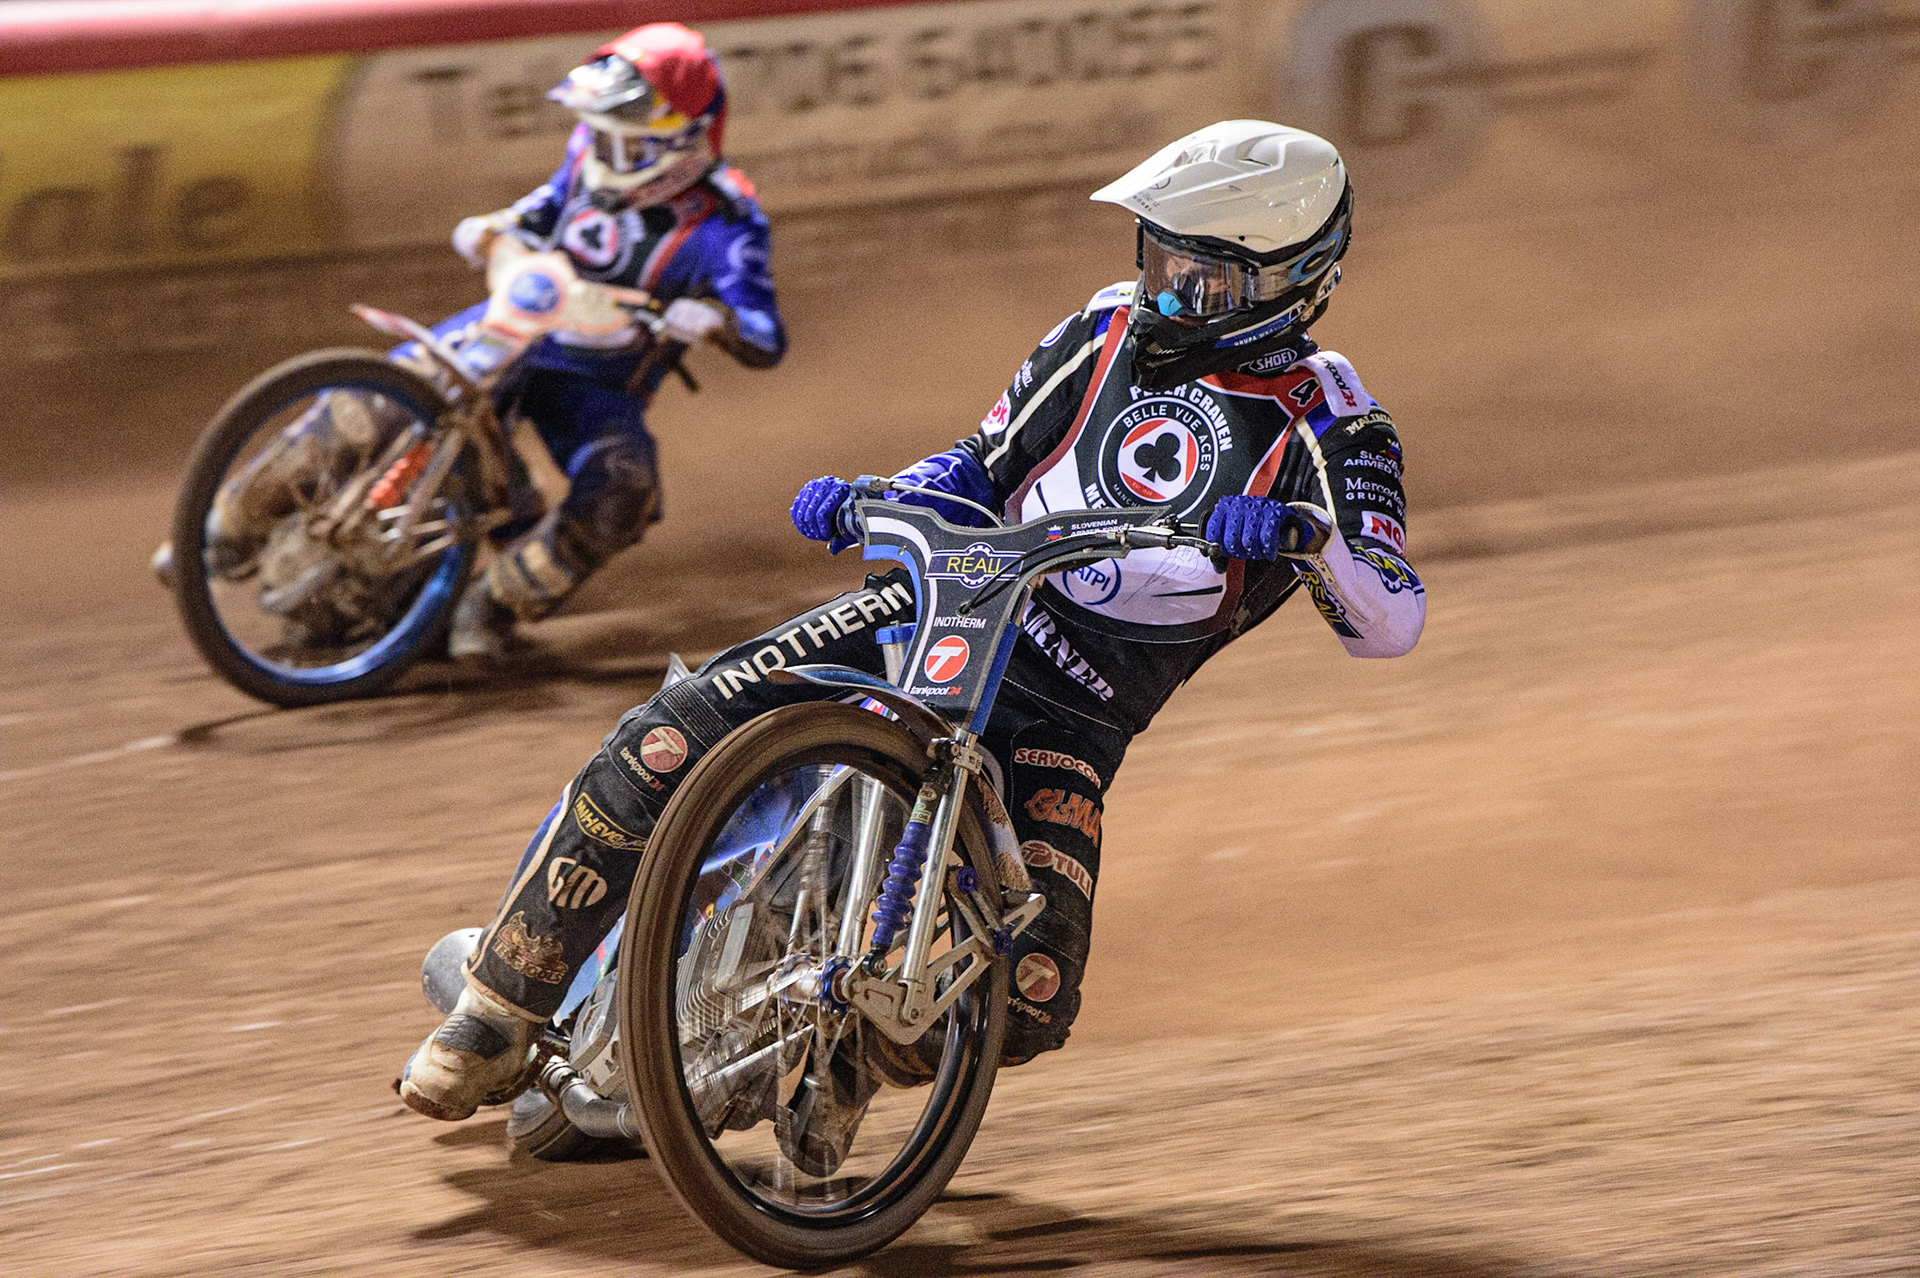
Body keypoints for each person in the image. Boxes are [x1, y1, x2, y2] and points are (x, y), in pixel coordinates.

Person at [399, 121, 1426, 1160]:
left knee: (1032, 997)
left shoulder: (1333, 424)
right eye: (1158, 259)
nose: (1164, 292)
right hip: (939, 609)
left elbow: (1390, 617)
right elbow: (984, 458)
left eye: (1198, 278)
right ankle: (496, 1009)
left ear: (1285, 283)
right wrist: (890, 494)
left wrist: (1307, 541)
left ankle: (832, 1049)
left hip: (1066, 718)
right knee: (670, 735)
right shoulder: (1101, 332)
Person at [186, 23, 786, 660]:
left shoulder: (729, 222)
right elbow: (545, 208)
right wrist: (496, 228)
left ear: (683, 140)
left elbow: (766, 336)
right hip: (511, 326)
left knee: (623, 487)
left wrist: (715, 321)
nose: (604, 148)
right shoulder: (588, 153)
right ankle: (222, 530)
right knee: (366, 403)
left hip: (592, 380)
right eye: (601, 131)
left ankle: (491, 606)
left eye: (625, 139)